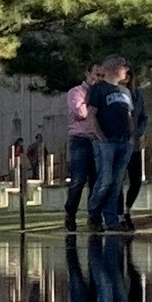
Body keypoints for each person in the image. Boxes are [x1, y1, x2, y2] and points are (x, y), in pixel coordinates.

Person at [87, 58, 141, 229]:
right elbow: (91, 114)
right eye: (125, 67)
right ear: (115, 69)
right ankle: (93, 212)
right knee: (105, 180)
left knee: (116, 184)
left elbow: (129, 116)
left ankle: (111, 221)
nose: (127, 71)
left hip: (124, 142)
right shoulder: (98, 89)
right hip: (106, 142)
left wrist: (132, 138)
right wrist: (100, 137)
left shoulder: (125, 91)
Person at [62, 69, 99, 230]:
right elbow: (82, 112)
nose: (97, 78)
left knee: (96, 180)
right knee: (78, 179)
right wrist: (95, 105)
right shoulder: (76, 92)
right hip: (81, 139)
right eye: (95, 74)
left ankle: (94, 216)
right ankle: (70, 212)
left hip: (98, 139)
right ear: (87, 73)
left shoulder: (102, 92)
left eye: (101, 75)